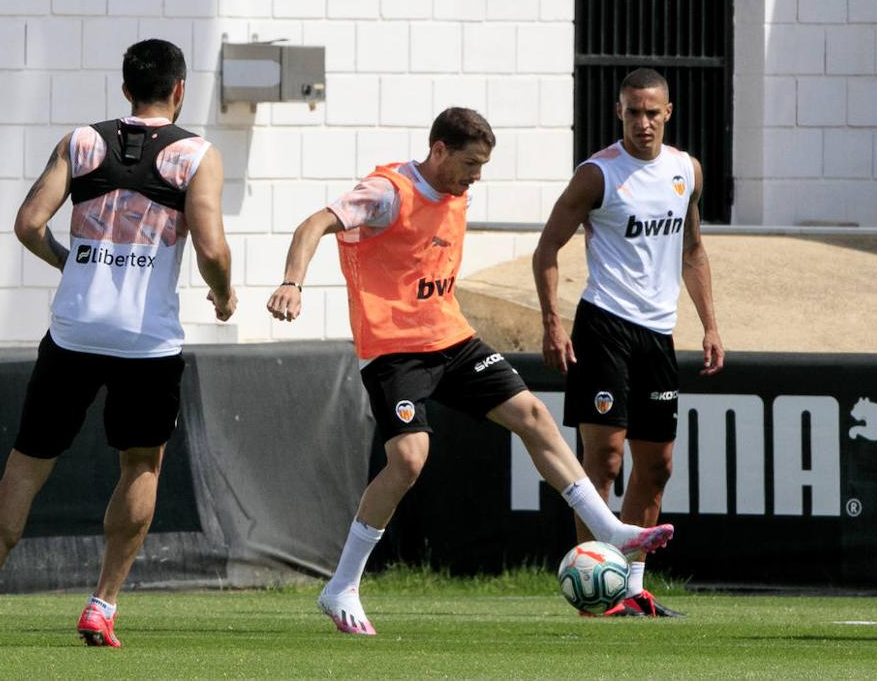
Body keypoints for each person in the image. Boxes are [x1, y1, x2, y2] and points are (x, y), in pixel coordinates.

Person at [267, 107, 675, 635]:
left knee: (531, 413)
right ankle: (341, 585)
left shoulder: (457, 190)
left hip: (452, 337)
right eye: (470, 163)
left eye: (482, 165)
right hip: (395, 349)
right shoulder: (387, 191)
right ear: (438, 150)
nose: (476, 175)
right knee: (410, 459)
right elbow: (314, 223)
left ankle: (609, 530)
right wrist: (293, 283)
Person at [0, 39, 237, 648]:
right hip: (146, 342)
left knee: (23, 469)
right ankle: (101, 604)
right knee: (140, 465)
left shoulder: (82, 142)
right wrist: (224, 294)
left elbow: (28, 224)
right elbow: (210, 249)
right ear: (179, 90)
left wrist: (71, 264)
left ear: (126, 88)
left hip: (73, 331)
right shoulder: (196, 155)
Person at [531, 68, 723, 618]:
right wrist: (551, 320)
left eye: (652, 112)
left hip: (658, 337)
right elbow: (548, 248)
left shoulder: (687, 171)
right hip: (604, 327)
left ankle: (633, 587)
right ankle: (594, 584)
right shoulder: (598, 174)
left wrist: (710, 324)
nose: (643, 122)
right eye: (633, 112)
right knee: (605, 459)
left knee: (656, 466)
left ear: (669, 112)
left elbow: (692, 251)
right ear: (620, 113)